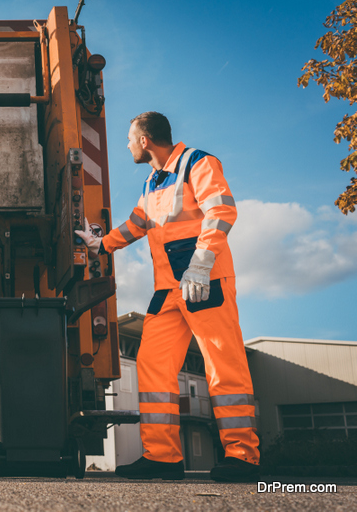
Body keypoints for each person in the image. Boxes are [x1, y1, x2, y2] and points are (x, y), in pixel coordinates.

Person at [76, 112, 260, 482]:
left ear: (145, 141)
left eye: (130, 139)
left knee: (223, 365)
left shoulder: (198, 162)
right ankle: (162, 457)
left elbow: (221, 210)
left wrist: (202, 264)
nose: (127, 145)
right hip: (169, 291)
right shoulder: (152, 184)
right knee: (152, 363)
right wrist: (102, 245)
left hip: (205, 282)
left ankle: (243, 456)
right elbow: (138, 224)